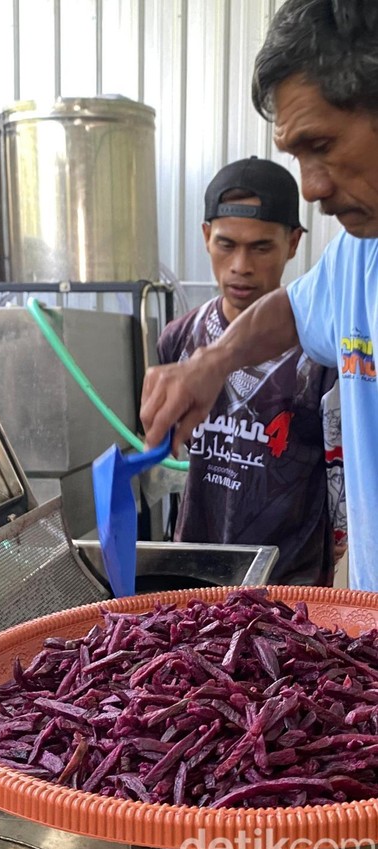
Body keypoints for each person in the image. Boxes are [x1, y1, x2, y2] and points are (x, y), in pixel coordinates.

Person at [141, 0, 378, 592]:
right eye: (298, 157)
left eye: (321, 145)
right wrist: (210, 362)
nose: (314, 186)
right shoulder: (359, 252)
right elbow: (296, 310)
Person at [157, 156, 346, 584]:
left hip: (287, 585)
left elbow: (340, 474)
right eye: (226, 244)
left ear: (294, 244)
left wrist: (338, 538)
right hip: (194, 575)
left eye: (261, 247)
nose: (241, 265)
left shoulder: (319, 351)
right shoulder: (179, 338)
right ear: (206, 236)